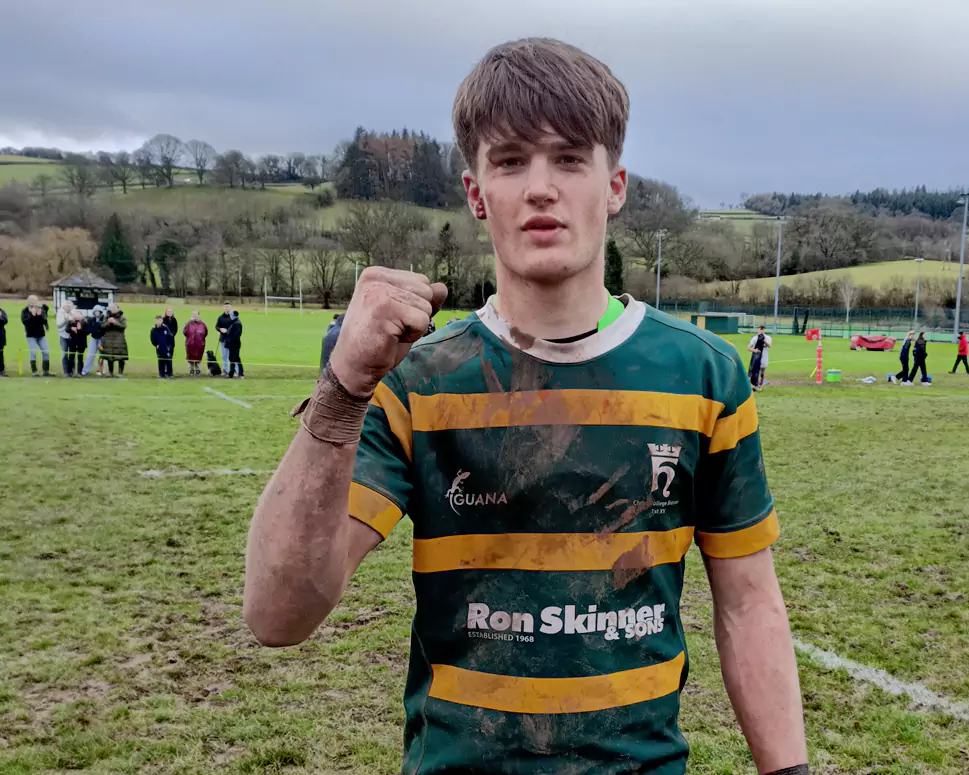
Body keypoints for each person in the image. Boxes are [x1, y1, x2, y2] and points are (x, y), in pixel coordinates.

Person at [244, 39, 806, 775]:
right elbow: (277, 614)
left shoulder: (704, 373)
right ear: (477, 193)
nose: (541, 187)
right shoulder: (416, 381)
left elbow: (749, 604)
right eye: (510, 161)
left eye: (569, 158)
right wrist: (343, 389)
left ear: (615, 185)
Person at [21, 295, 52, 376]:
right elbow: (26, 322)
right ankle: (34, 372)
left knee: (46, 351)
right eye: (31, 301)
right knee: (33, 352)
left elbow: (44, 320)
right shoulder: (25, 311)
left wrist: (40, 315)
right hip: (31, 335)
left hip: (41, 335)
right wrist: (32, 315)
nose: (32, 303)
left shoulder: (40, 309)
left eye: (34, 301)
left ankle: (46, 371)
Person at [100, 304, 129, 378]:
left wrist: (115, 322)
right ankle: (110, 373)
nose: (112, 309)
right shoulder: (106, 316)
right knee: (109, 356)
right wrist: (108, 323)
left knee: (121, 357)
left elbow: (123, 326)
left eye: (114, 308)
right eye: (111, 308)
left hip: (119, 339)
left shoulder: (122, 317)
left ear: (118, 308)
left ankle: (120, 373)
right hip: (108, 339)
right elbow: (102, 326)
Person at [183, 311, 209, 376]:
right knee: (190, 357)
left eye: (196, 314)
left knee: (198, 357)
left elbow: (205, 333)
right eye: (193, 314)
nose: (194, 316)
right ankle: (191, 369)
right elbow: (184, 332)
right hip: (190, 343)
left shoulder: (202, 324)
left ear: (198, 315)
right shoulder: (188, 324)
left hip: (199, 344)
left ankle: (198, 370)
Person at [82, 307, 106, 376]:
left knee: (101, 355)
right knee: (90, 355)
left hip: (102, 339)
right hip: (93, 339)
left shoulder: (104, 319)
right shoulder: (91, 320)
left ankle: (100, 370)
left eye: (98, 311)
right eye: (96, 311)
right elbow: (89, 330)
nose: (97, 313)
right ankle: (85, 370)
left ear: (101, 312)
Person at [747, 324, 771, 390]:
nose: (761, 330)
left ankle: (760, 384)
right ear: (758, 329)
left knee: (762, 373)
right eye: (760, 329)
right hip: (756, 357)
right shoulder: (754, 338)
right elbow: (748, 348)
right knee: (755, 371)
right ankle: (754, 384)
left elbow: (769, 345)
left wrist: (763, 340)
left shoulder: (768, 338)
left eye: (763, 329)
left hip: (764, 357)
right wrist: (754, 350)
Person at [55, 300, 75, 376]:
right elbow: (58, 326)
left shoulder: (74, 313)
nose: (68, 308)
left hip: (72, 336)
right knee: (64, 353)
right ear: (63, 306)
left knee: (72, 354)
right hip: (63, 336)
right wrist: (65, 321)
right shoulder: (60, 313)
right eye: (66, 306)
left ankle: (71, 371)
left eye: (69, 306)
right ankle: (66, 372)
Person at [65, 311, 87, 378]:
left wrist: (80, 329)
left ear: (81, 316)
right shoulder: (70, 322)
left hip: (81, 343)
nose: (77, 317)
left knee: (80, 358)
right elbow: (66, 330)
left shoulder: (85, 323)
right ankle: (69, 372)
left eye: (78, 315)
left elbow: (87, 332)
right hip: (72, 342)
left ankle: (79, 372)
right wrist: (71, 328)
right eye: (75, 315)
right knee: (71, 357)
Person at [216, 302, 234, 376]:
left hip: (232, 339)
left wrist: (228, 330)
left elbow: (237, 326)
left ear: (231, 307)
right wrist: (220, 329)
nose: (226, 308)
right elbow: (217, 326)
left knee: (232, 356)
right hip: (223, 339)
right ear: (223, 308)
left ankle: (234, 371)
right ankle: (225, 370)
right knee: (224, 356)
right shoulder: (220, 317)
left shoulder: (233, 317)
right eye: (225, 307)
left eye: (228, 307)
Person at [226, 310, 244, 379]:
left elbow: (236, 335)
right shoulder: (233, 322)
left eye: (230, 315)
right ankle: (232, 373)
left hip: (235, 344)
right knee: (232, 358)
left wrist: (230, 341)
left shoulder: (237, 323)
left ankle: (241, 374)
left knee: (236, 358)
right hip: (232, 344)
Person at [0, 303, 7, 377]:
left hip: (0, 336)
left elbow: (5, 321)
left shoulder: (1, 311)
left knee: (0, 354)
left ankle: (1, 370)